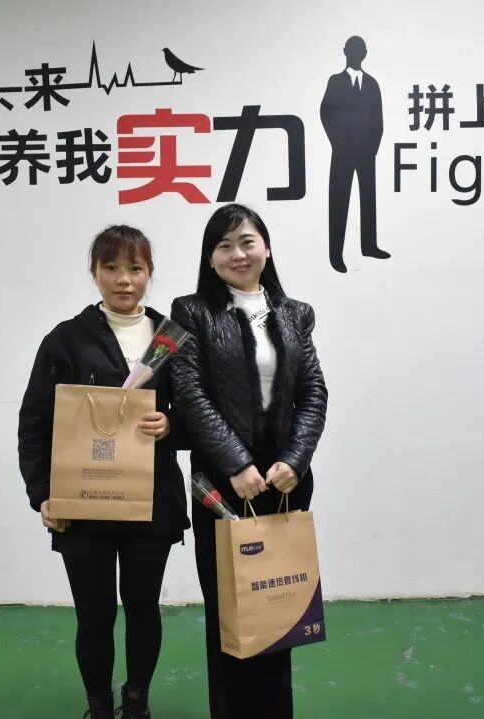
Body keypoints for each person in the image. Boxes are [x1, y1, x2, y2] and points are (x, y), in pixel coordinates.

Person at [18, 225, 190, 719]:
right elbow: (35, 423)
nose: (123, 279)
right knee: (93, 615)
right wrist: (42, 494)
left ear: (149, 273)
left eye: (135, 268)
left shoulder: (171, 338)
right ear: (94, 273)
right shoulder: (66, 339)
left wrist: (171, 425)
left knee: (143, 610)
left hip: (151, 501)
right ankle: (98, 706)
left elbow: (198, 415)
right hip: (83, 504)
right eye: (110, 268)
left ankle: (136, 702)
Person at [170, 204, 328, 719]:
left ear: (267, 247)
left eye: (247, 242)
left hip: (284, 479)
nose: (237, 254)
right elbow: (189, 393)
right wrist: (236, 463)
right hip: (223, 479)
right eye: (224, 246)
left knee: (279, 603)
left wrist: (295, 460)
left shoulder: (295, 313)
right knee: (231, 605)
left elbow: (313, 391)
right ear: (210, 258)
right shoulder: (191, 312)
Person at [320, 34, 389, 273]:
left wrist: (372, 148)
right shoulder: (335, 81)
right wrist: (338, 143)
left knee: (368, 199)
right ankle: (336, 254)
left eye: (360, 51)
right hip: (342, 152)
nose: (356, 55)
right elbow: (326, 113)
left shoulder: (372, 84)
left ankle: (369, 245)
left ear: (365, 54)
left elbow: (378, 120)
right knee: (339, 201)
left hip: (366, 153)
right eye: (352, 50)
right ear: (345, 52)